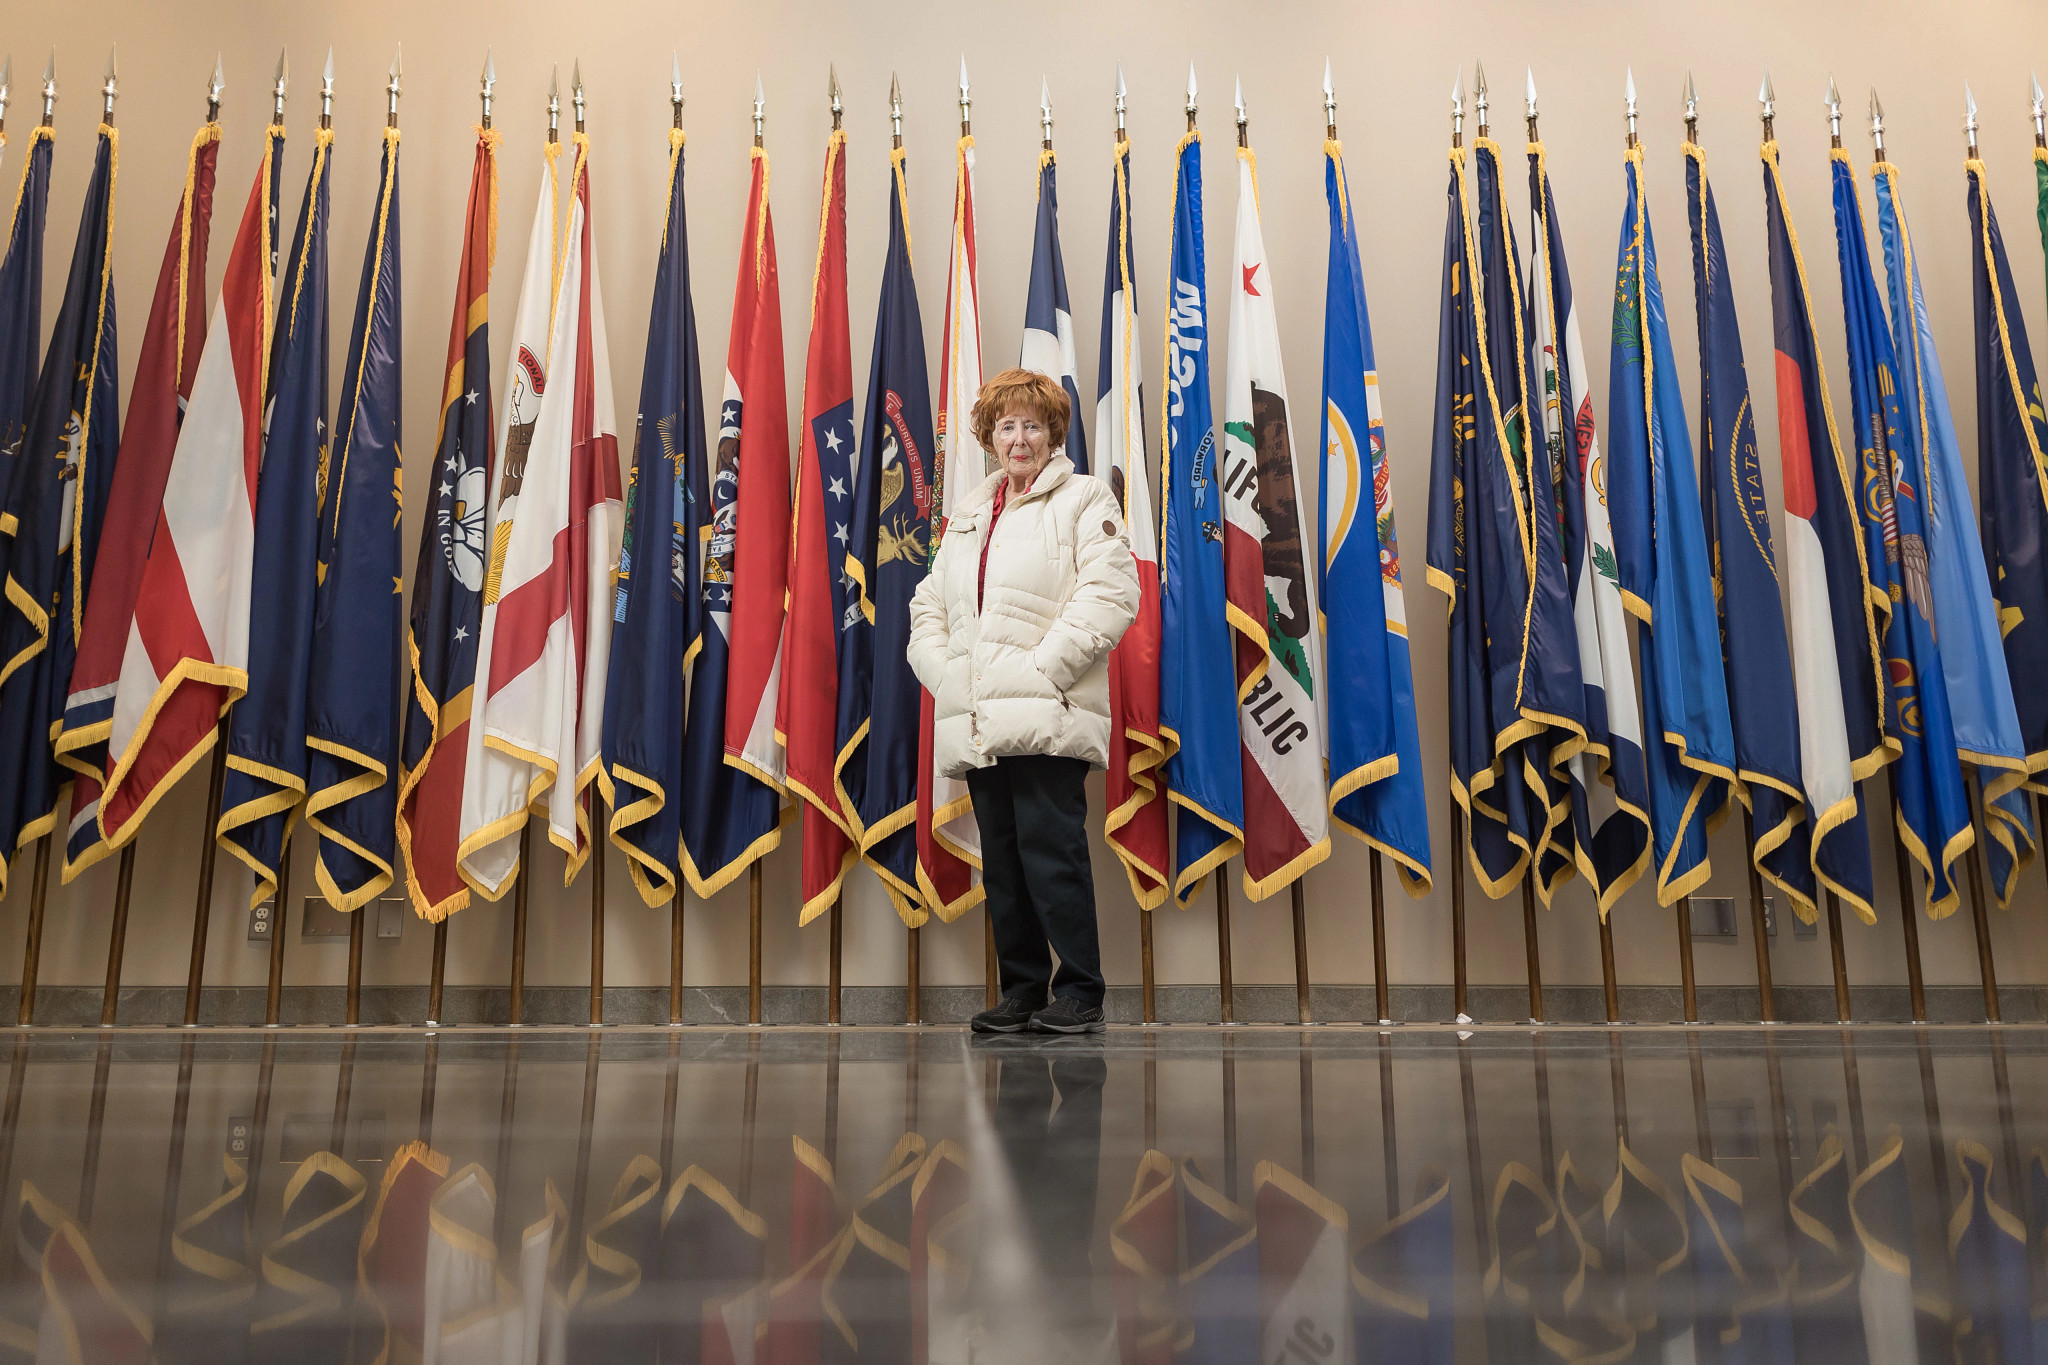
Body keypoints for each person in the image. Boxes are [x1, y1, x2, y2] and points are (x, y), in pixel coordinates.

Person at [908, 368, 1139, 1034]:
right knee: (1004, 860)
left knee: (1052, 852)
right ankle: (1023, 989)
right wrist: (948, 678)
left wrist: (1044, 671)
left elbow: (1111, 594)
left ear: (1052, 433)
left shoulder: (1084, 498)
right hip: (979, 715)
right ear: (989, 435)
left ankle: (1082, 992)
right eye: (1006, 425)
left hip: (1047, 712)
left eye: (1032, 425)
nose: (1019, 437)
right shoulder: (970, 515)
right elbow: (929, 606)